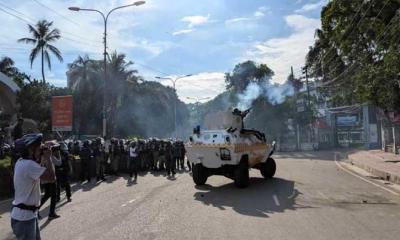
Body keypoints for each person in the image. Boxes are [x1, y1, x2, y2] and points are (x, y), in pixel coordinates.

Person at [11, 133, 49, 240]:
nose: (40, 151)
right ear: (30, 150)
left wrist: (43, 158)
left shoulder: (21, 162)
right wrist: (47, 157)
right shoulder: (29, 165)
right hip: (25, 219)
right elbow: (51, 177)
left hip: (27, 215)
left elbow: (39, 169)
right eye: (38, 148)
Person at [39, 141, 60, 220]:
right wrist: (53, 178)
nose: (52, 149)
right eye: (51, 148)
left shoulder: (43, 156)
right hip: (50, 179)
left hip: (46, 179)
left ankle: (36, 209)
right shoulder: (47, 156)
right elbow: (58, 163)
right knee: (53, 195)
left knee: (47, 194)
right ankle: (51, 213)